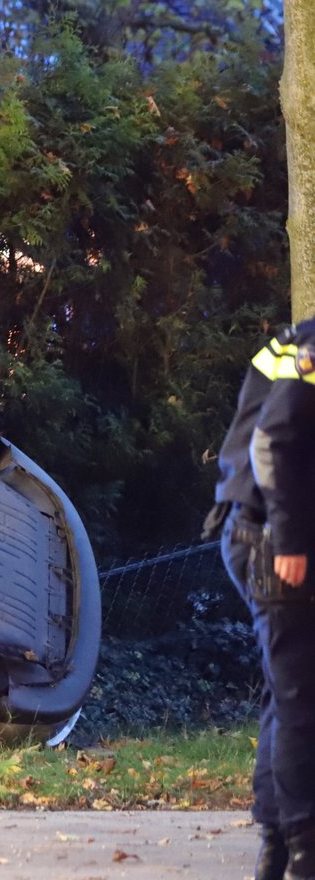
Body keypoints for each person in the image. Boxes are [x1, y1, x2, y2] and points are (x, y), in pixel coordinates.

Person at [211, 319, 315, 880]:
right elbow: (274, 438)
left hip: (255, 532)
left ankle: (279, 848)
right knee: (303, 700)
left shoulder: (298, 340)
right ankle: (304, 851)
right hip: (277, 543)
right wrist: (293, 541)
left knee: (289, 693)